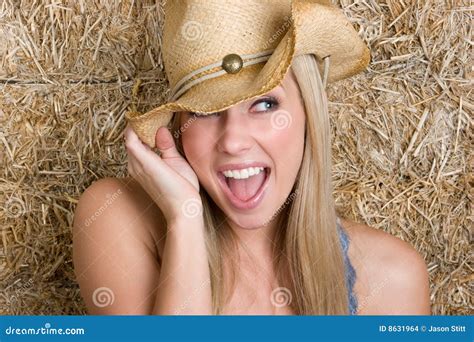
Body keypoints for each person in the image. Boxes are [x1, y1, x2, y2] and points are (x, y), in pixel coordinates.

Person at [73, 0, 431, 315]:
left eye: (264, 104)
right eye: (206, 111)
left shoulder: (393, 279)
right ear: (178, 128)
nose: (233, 141)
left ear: (309, 116)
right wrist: (185, 217)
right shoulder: (115, 215)